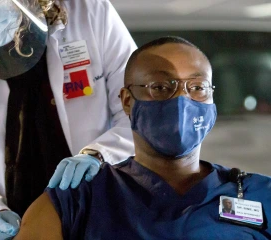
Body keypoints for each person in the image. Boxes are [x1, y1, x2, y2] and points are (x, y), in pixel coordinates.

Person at [14, 36, 271, 240]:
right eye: (160, 87)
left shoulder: (260, 195)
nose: (182, 101)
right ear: (127, 100)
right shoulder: (75, 202)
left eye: (197, 87)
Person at [0, 0, 136, 238]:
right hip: (22, 223)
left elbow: (138, 116)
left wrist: (100, 155)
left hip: (100, 214)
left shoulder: (90, 13)